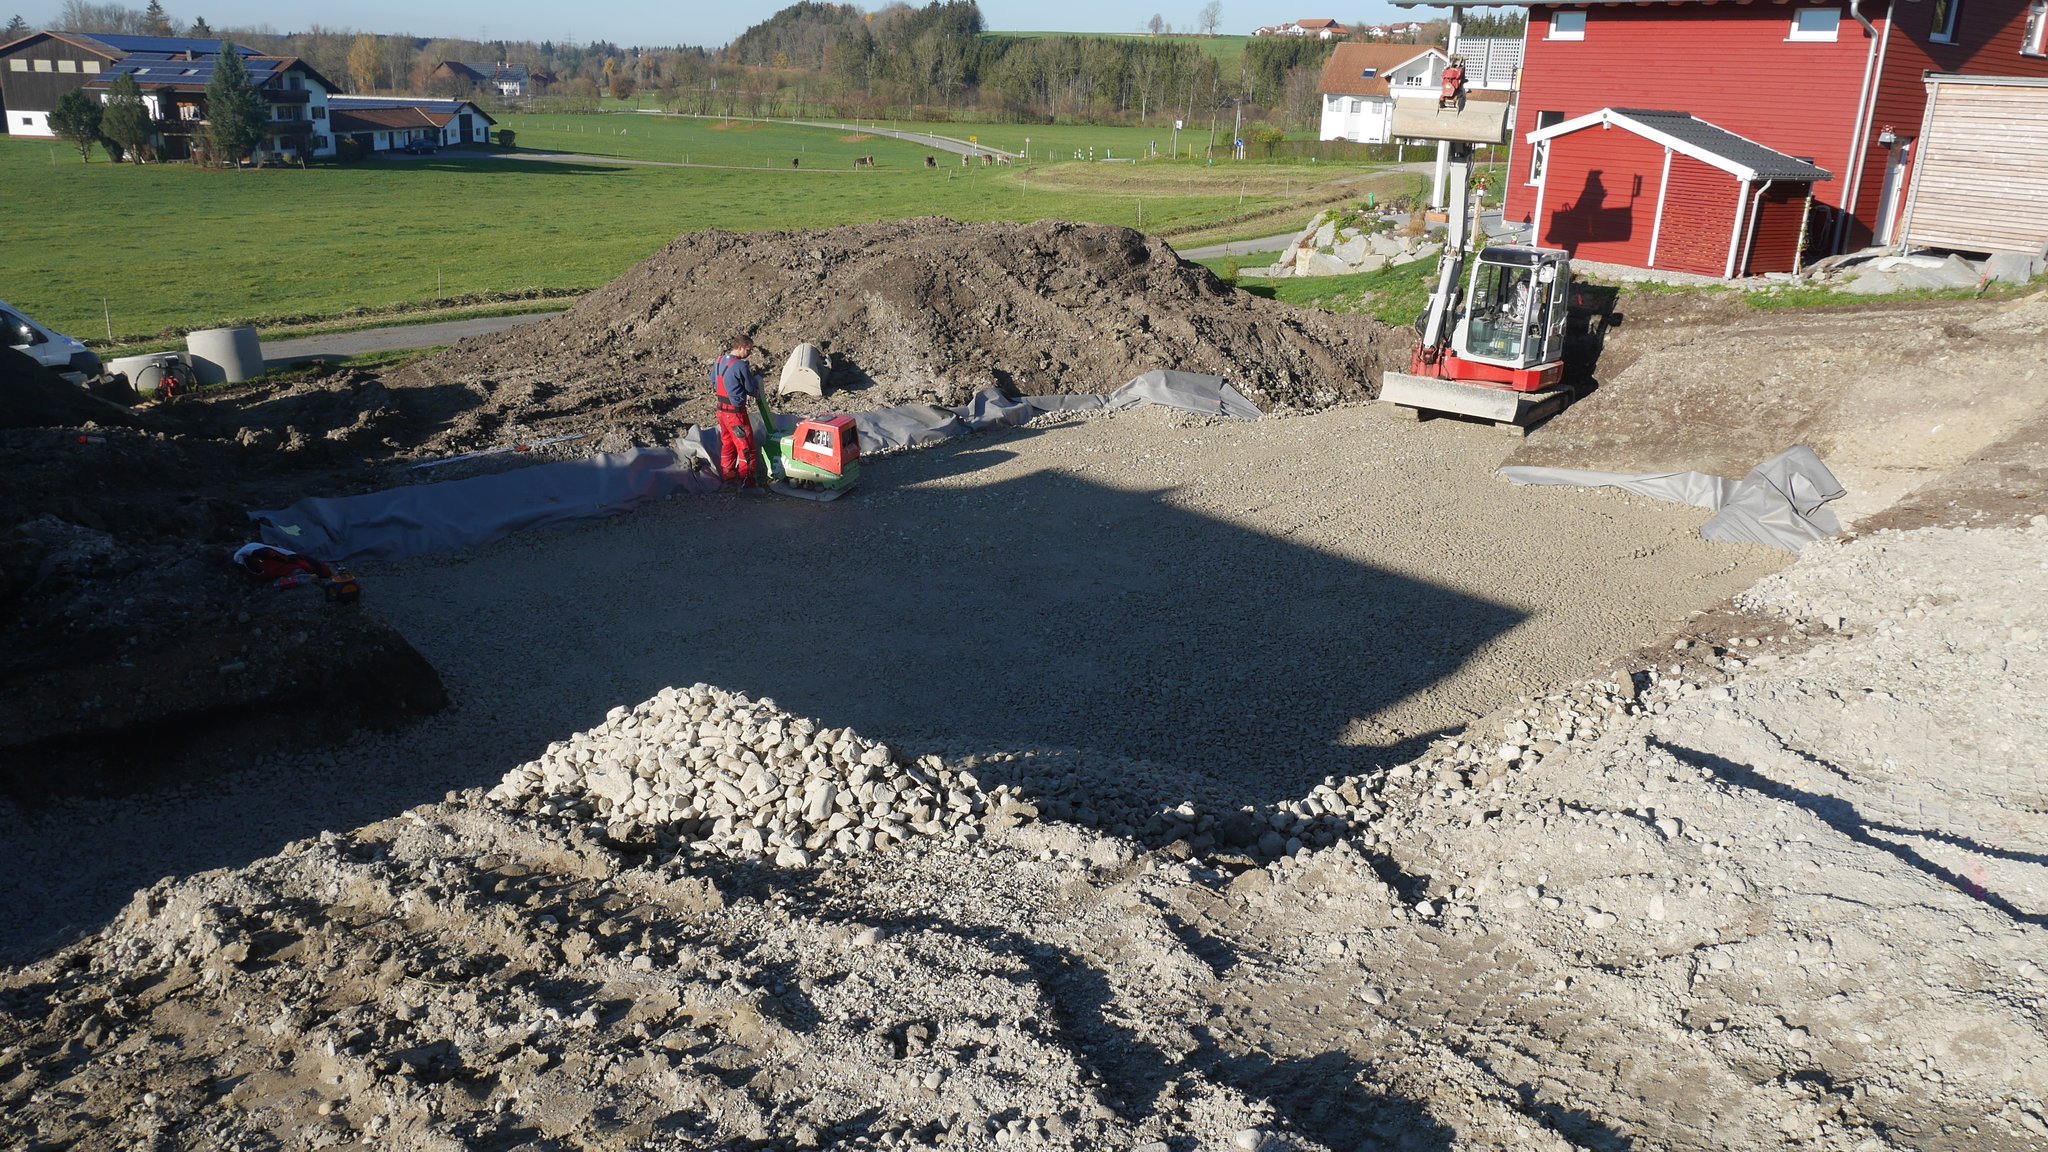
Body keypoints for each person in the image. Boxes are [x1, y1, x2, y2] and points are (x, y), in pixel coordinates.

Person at [712, 334, 764, 490]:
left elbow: (714, 382)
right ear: (741, 347)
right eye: (748, 350)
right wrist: (757, 392)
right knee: (746, 447)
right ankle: (747, 483)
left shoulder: (719, 361)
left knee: (727, 443)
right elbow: (749, 388)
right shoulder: (741, 366)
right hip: (735, 414)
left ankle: (728, 478)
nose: (749, 353)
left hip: (721, 411)